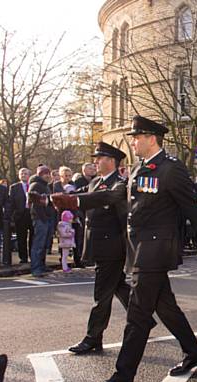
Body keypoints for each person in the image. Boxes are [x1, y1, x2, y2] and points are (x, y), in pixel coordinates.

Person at [52, 116, 197, 382]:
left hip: (156, 250)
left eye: (136, 137)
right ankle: (194, 352)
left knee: (137, 315)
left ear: (151, 138)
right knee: (165, 306)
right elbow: (116, 194)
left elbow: (193, 209)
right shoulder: (139, 168)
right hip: (140, 249)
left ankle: (123, 377)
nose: (132, 142)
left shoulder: (171, 169)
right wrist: (76, 200)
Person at [67, 142, 132, 355]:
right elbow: (81, 194)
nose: (96, 162)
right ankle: (143, 318)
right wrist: (51, 200)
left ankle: (93, 337)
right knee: (118, 286)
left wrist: (73, 201)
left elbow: (105, 198)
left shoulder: (120, 183)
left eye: (99, 158)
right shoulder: (96, 181)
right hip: (99, 244)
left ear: (111, 161)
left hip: (112, 247)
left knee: (101, 294)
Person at [28, 166, 56, 277]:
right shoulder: (36, 185)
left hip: (47, 218)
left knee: (44, 244)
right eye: (45, 173)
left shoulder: (45, 186)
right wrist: (43, 217)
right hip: (40, 218)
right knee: (38, 244)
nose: (48, 175)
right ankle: (36, 267)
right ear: (40, 174)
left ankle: (42, 265)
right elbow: (35, 203)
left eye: (48, 173)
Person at [7, 168, 33, 264]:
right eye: (21, 174)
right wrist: (12, 216)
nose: (23, 175)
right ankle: (23, 258)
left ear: (29, 175)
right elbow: (11, 203)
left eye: (25, 173)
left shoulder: (33, 186)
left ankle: (32, 256)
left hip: (32, 214)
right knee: (21, 237)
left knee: (33, 237)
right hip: (20, 215)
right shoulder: (14, 187)